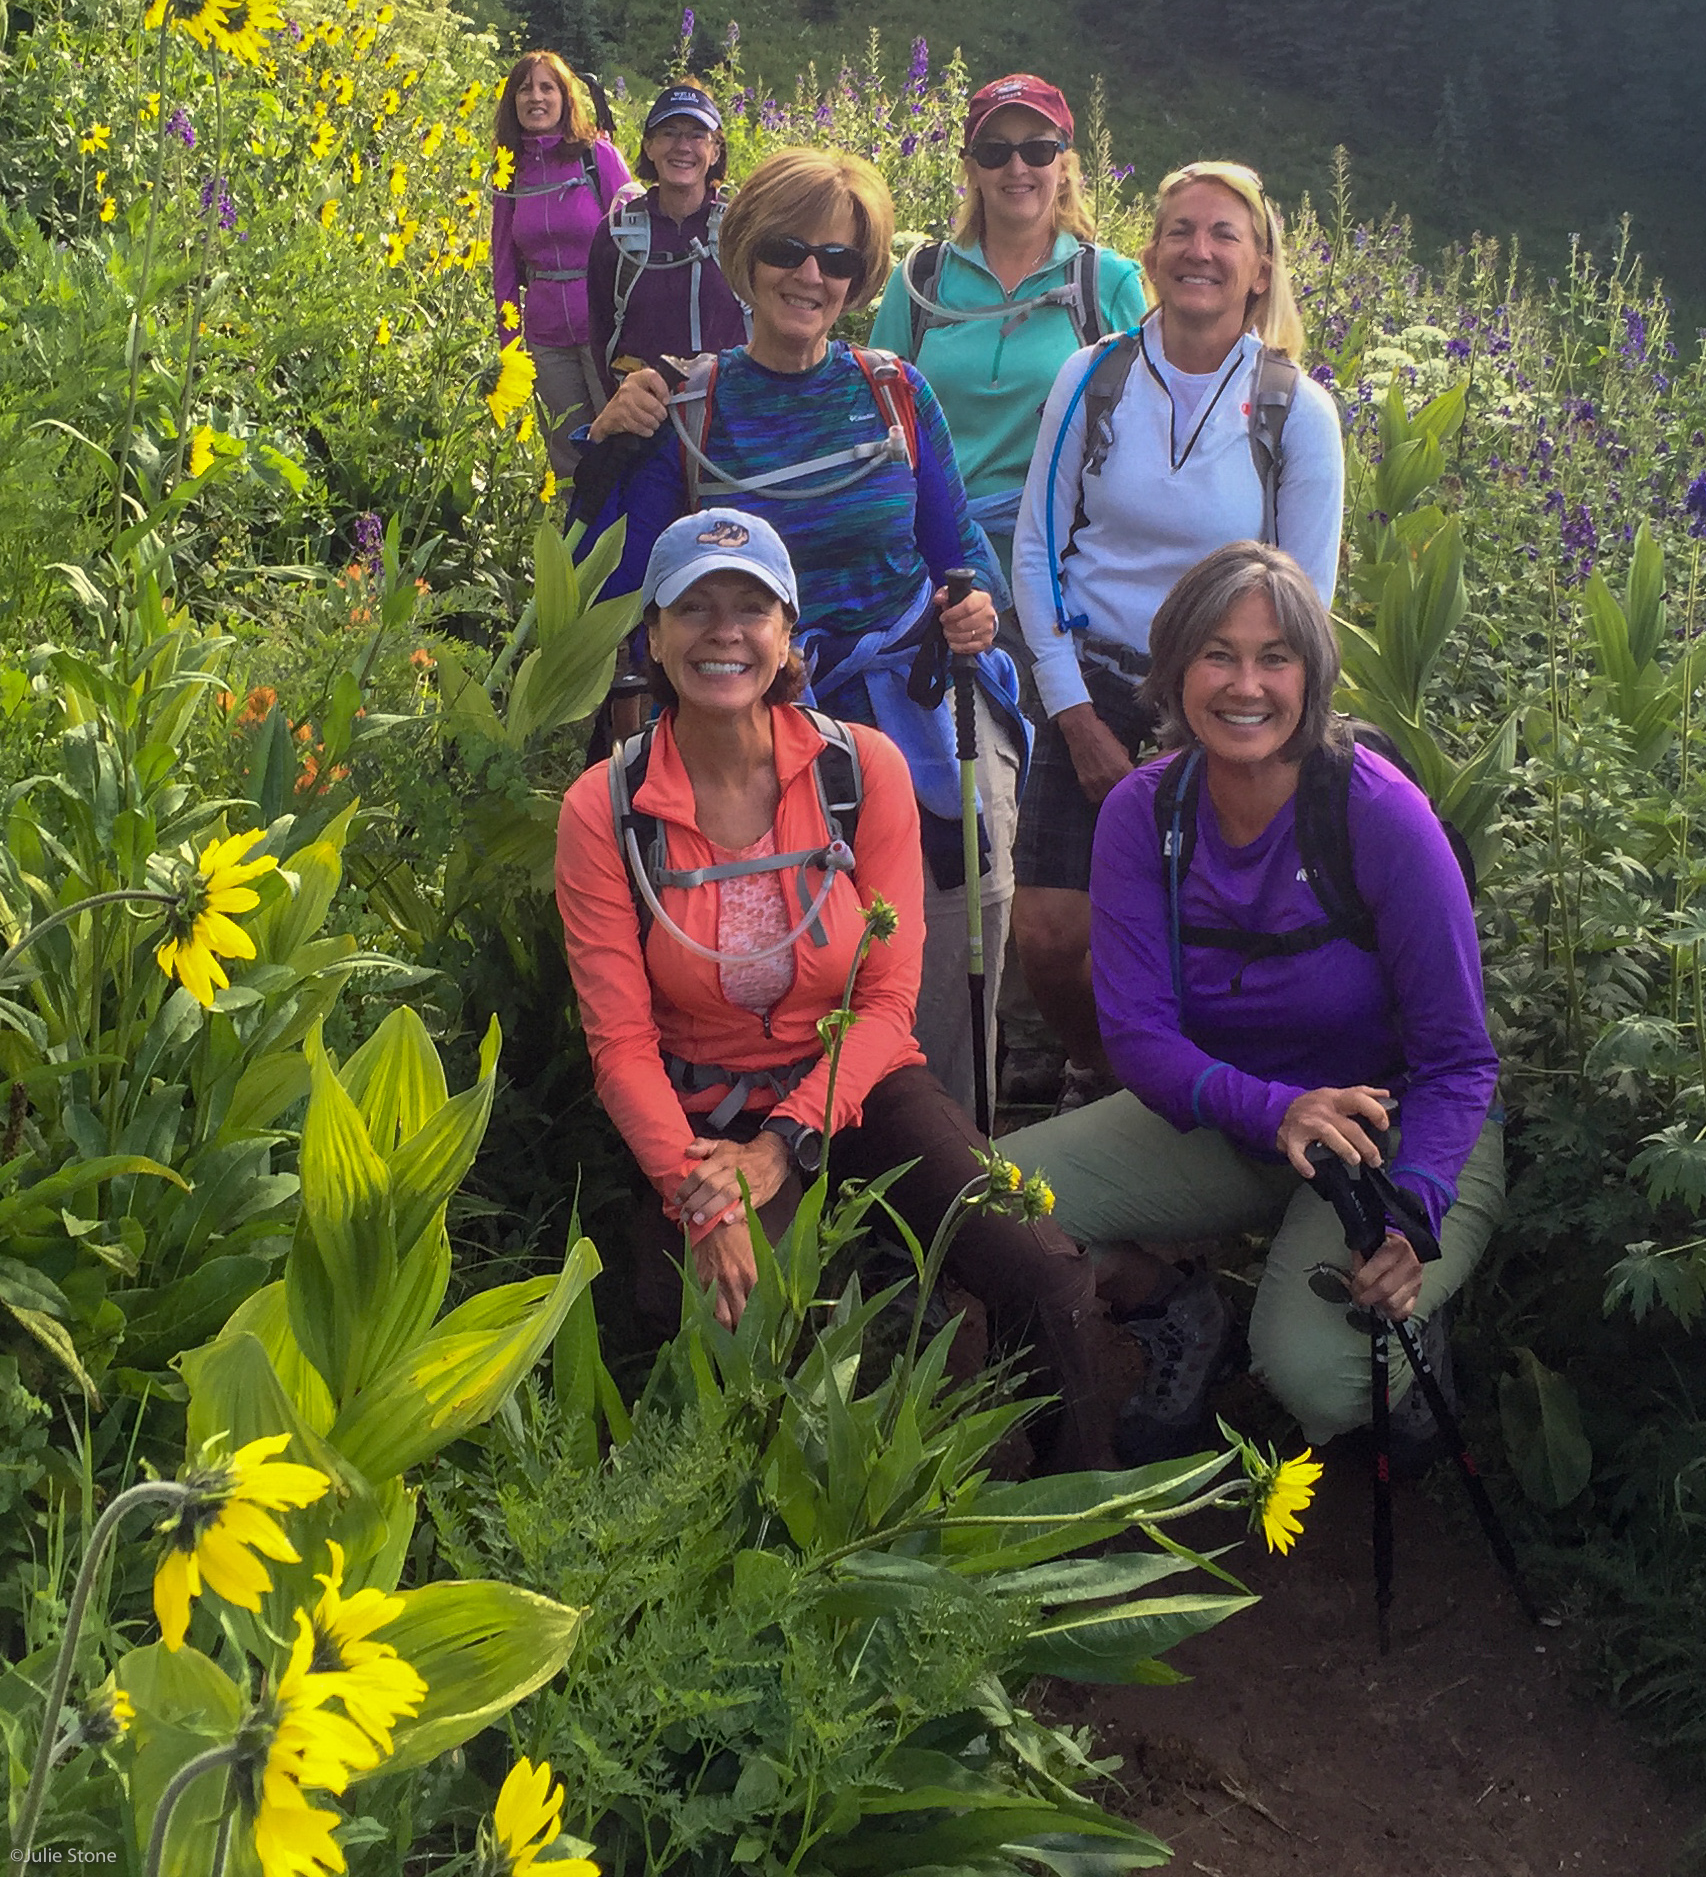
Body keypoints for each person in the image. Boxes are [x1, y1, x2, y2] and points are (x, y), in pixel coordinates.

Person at [552, 508, 1103, 1466]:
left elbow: (888, 1005)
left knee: (1039, 1266)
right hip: (697, 1112)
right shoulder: (606, 808)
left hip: (854, 1081)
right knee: (733, 1319)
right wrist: (712, 1195)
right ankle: (767, 1558)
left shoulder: (860, 768)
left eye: (750, 609)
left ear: (787, 635)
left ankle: (1053, 1505)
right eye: (695, 609)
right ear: (654, 638)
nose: (724, 632)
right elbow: (619, 1046)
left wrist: (786, 1143)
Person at [1001, 542, 1505, 1463]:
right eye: (1218, 654)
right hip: (1249, 1120)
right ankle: (1180, 1315)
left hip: (1399, 1126)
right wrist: (1279, 1112)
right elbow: (1139, 1036)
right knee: (990, 1207)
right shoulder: (1144, 816)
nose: (1247, 684)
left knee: (1315, 1380)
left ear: (1312, 676)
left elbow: (1459, 1058)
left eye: (1276, 656)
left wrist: (1415, 1208)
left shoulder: (1376, 809)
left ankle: (1406, 1342)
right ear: (1174, 671)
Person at [571, 147, 1027, 1122]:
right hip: (747, 703)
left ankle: (938, 1135)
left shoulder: (894, 393)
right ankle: (779, 1126)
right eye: (787, 249)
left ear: (860, 279)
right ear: (744, 256)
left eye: (838, 259)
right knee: (783, 935)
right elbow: (612, 590)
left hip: (908, 689)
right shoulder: (687, 406)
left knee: (969, 888)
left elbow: (960, 554)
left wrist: (976, 609)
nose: (811, 275)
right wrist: (607, 446)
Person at [1008, 160, 1344, 1108]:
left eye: (1224, 234)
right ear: (1148, 254)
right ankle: (1098, 1069)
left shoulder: (1297, 412)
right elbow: (1035, 546)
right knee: (1048, 931)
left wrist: (1237, 719)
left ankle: (1180, 1100)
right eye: (1180, 231)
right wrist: (1072, 713)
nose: (1199, 250)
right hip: (1094, 680)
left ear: (1261, 268)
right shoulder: (1094, 376)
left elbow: (1303, 602)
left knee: (1186, 931)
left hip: (1224, 698)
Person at [869, 73, 1147, 585]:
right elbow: (872, 417)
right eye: (995, 151)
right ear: (971, 169)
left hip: (1060, 567)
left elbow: (1142, 437)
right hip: (926, 560)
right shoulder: (919, 282)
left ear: (1065, 166)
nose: (1017, 167)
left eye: (1038, 150)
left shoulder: (1107, 284)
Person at [490, 51, 634, 479]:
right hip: (546, 339)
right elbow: (503, 265)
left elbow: (637, 234)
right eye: (524, 88)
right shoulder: (509, 171)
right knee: (568, 455)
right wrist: (510, 346)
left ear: (565, 97)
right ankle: (577, 544)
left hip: (606, 330)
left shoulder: (597, 157)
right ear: (512, 102)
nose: (535, 97)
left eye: (547, 87)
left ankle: (627, 540)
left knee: (623, 440)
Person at [585, 82, 748, 384]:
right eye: (669, 133)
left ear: (715, 151)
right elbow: (601, 337)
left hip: (732, 412)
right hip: (644, 416)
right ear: (649, 146)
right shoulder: (616, 237)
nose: (682, 146)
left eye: (697, 135)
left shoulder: (743, 230)